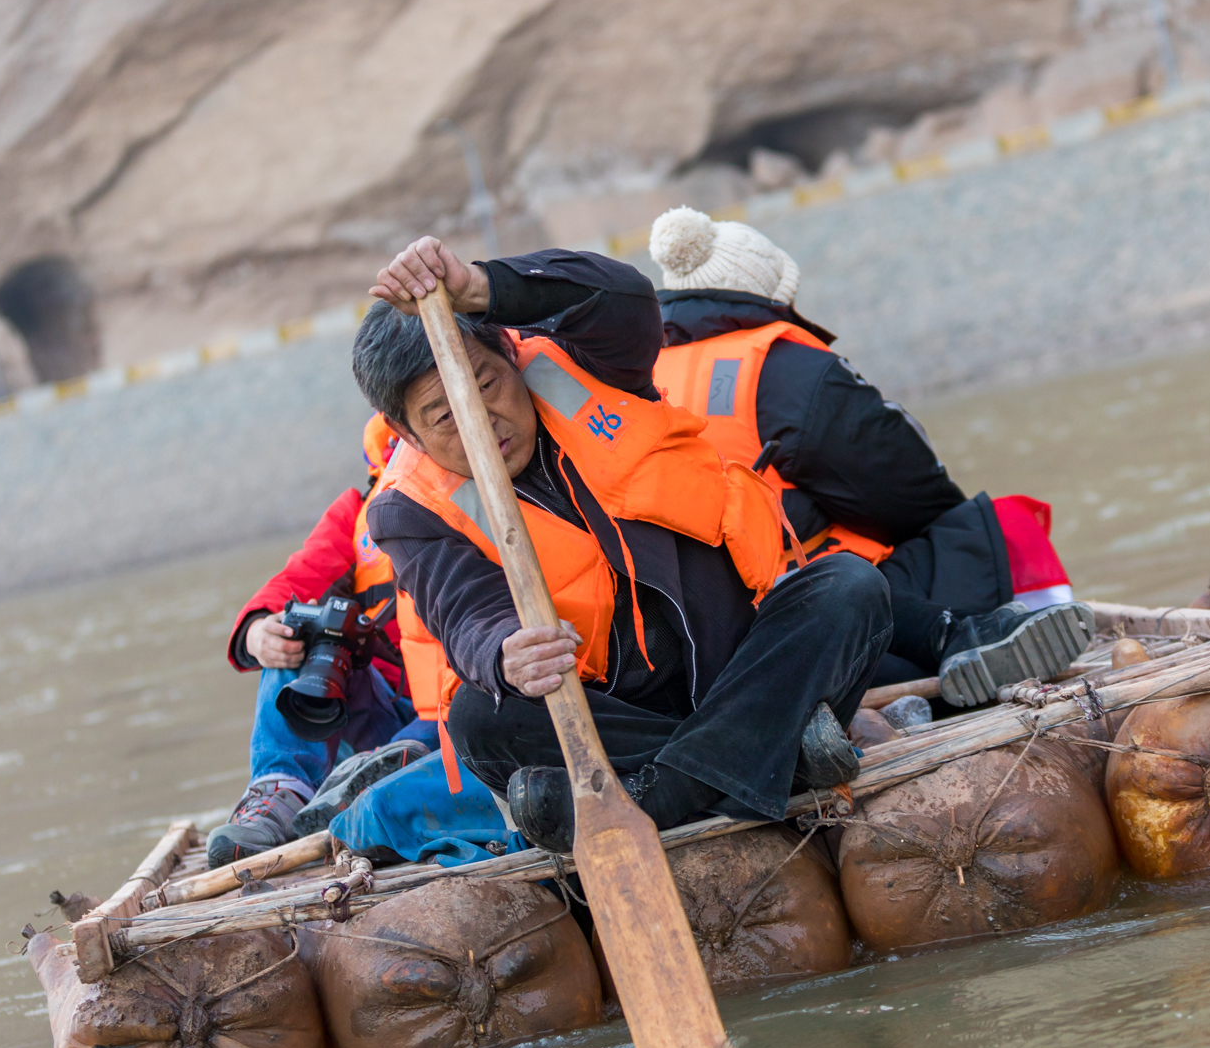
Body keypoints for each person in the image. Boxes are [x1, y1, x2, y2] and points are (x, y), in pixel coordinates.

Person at [356, 237, 1001, 853]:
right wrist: (504, 653)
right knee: (479, 717)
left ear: (510, 357)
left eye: (488, 383)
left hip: (736, 664)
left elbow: (626, 297)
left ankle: (662, 795)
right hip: (612, 715)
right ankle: (770, 754)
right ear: (405, 433)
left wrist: (482, 285)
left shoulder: (586, 365)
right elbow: (464, 611)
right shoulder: (404, 511)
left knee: (851, 588)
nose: (481, 420)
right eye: (444, 415)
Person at [647, 206, 1086, 699]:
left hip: (702, 633)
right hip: (812, 610)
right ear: (772, 294)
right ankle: (1017, 651)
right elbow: (909, 495)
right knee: (998, 526)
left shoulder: (639, 376)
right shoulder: (785, 369)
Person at [211, 416, 438, 863]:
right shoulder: (356, 514)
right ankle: (281, 791)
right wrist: (258, 630)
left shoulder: (472, 493)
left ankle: (369, 783)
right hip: (385, 712)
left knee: (456, 717)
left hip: (458, 705)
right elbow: (298, 578)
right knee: (293, 627)